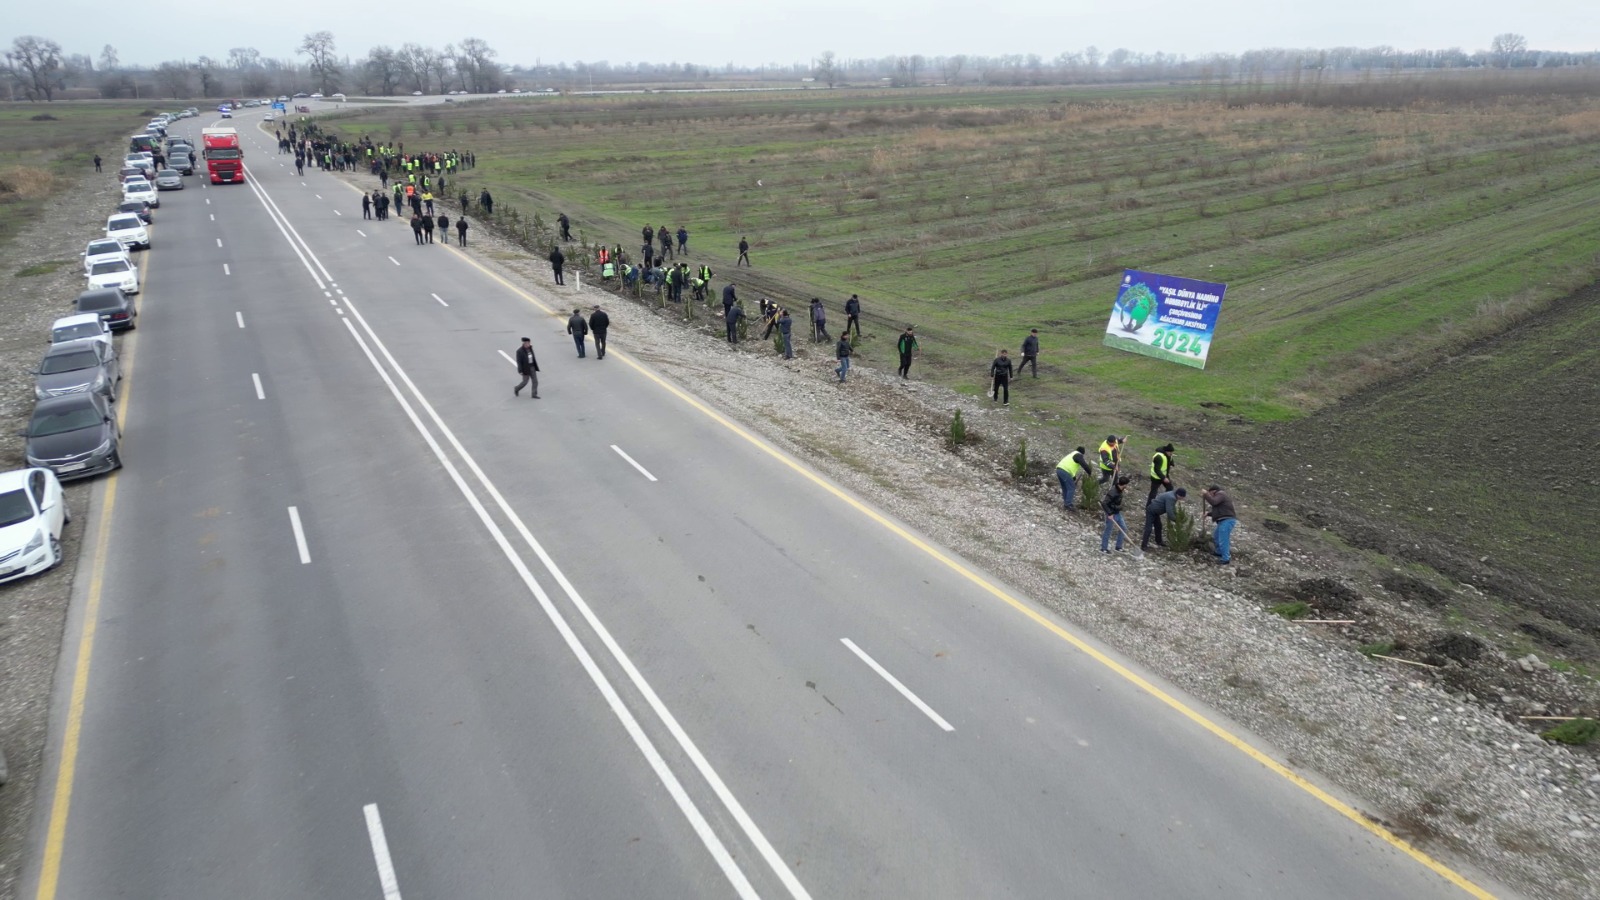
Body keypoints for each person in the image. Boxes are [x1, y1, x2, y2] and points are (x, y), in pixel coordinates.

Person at [1202, 485, 1238, 565]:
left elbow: (1214, 502)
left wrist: (1205, 494)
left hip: (1227, 520)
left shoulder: (1221, 494)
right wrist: (1208, 514)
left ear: (1213, 491)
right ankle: (1219, 552)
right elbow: (1218, 511)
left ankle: (1225, 558)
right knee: (1216, 536)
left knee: (1223, 539)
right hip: (1223, 520)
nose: (1210, 495)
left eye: (1210, 493)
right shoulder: (1220, 496)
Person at [1101, 475, 1131, 553]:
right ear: (1124, 485)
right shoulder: (1113, 492)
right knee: (1108, 530)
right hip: (1111, 514)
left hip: (1117, 513)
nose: (1127, 486)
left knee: (1123, 528)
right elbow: (1104, 503)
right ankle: (1104, 548)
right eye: (1126, 484)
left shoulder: (1120, 489)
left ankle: (1118, 547)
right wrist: (1109, 513)